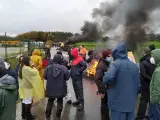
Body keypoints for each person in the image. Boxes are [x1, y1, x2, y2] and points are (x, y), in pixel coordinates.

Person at [103, 43, 140, 120]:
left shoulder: (116, 64)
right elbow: (138, 84)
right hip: (130, 103)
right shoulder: (135, 65)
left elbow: (108, 78)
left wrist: (105, 75)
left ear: (115, 53)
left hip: (118, 103)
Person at [44, 54, 70, 118]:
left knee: (50, 100)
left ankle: (47, 114)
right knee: (60, 101)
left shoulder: (48, 68)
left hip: (50, 88)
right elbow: (67, 77)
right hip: (61, 88)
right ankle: (58, 114)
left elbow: (45, 76)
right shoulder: (64, 68)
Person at [135, 47, 155, 120]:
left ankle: (140, 117)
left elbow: (143, 74)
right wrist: (153, 80)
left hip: (145, 84)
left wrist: (150, 79)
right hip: (153, 84)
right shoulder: (154, 60)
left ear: (144, 52)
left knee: (143, 101)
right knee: (151, 101)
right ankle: (151, 115)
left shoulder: (143, 62)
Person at [95, 50, 111, 120]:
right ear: (106, 56)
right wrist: (102, 91)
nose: (111, 57)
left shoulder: (107, 63)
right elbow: (97, 79)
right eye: (109, 56)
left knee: (107, 105)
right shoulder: (101, 65)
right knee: (104, 105)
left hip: (108, 88)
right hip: (104, 89)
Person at [148, 49, 160, 120]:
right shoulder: (158, 68)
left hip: (157, 101)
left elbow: (157, 88)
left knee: (155, 117)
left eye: (153, 56)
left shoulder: (158, 71)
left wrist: (153, 100)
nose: (151, 58)